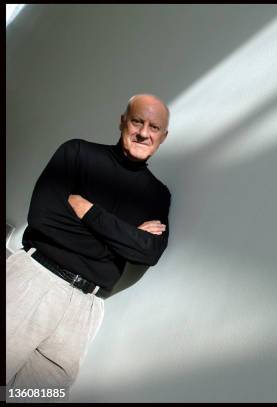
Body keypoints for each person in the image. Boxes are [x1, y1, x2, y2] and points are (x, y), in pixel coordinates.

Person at [5, 94, 172, 397]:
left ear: (164, 136)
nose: (143, 133)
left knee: (37, 396)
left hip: (86, 307)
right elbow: (44, 220)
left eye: (154, 128)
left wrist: (87, 211)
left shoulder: (158, 195)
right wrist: (125, 237)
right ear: (123, 121)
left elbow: (149, 252)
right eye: (137, 121)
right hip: (36, 278)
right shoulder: (78, 153)